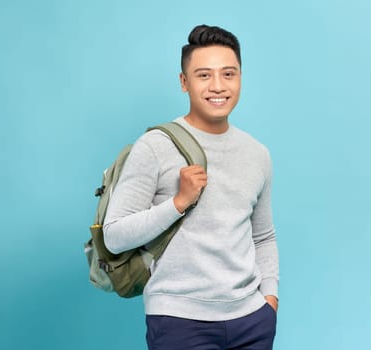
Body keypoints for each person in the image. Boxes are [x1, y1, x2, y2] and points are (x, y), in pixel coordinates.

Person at [104, 24, 279, 350]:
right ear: (184, 83)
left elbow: (263, 236)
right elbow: (114, 236)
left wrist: (269, 299)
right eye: (203, 75)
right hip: (179, 323)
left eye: (228, 74)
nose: (218, 86)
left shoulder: (258, 154)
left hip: (252, 321)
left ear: (241, 77)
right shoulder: (155, 146)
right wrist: (178, 202)